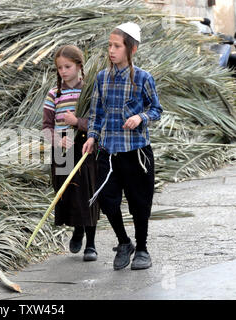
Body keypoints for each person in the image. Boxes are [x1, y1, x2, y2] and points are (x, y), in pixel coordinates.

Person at [82, 22, 163, 270]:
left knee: (140, 203)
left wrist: (141, 117)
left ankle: (142, 248)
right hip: (108, 152)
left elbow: (156, 109)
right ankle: (123, 241)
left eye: (117, 46)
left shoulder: (143, 78)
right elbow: (96, 113)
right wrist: (92, 136)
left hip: (136, 152)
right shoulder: (102, 78)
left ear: (132, 49)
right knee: (106, 200)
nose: (112, 51)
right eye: (110, 45)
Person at [43, 45, 100, 262]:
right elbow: (46, 127)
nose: (63, 71)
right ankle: (78, 230)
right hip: (63, 152)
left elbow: (97, 121)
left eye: (68, 66)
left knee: (88, 192)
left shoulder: (88, 91)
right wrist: (59, 142)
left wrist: (77, 122)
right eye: (59, 68)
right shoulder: (53, 94)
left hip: (85, 147)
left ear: (79, 66)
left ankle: (91, 243)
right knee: (68, 193)